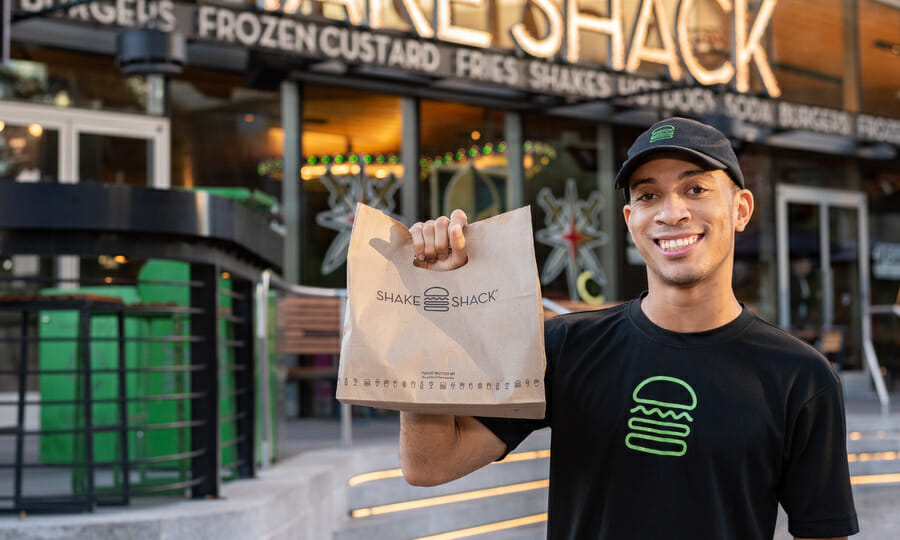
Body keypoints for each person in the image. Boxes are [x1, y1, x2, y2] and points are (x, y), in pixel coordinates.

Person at [399, 117, 858, 540]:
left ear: (740, 209)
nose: (670, 212)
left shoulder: (800, 377)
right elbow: (429, 463)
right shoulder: (565, 346)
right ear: (630, 221)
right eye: (647, 195)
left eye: (695, 189)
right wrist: (434, 307)